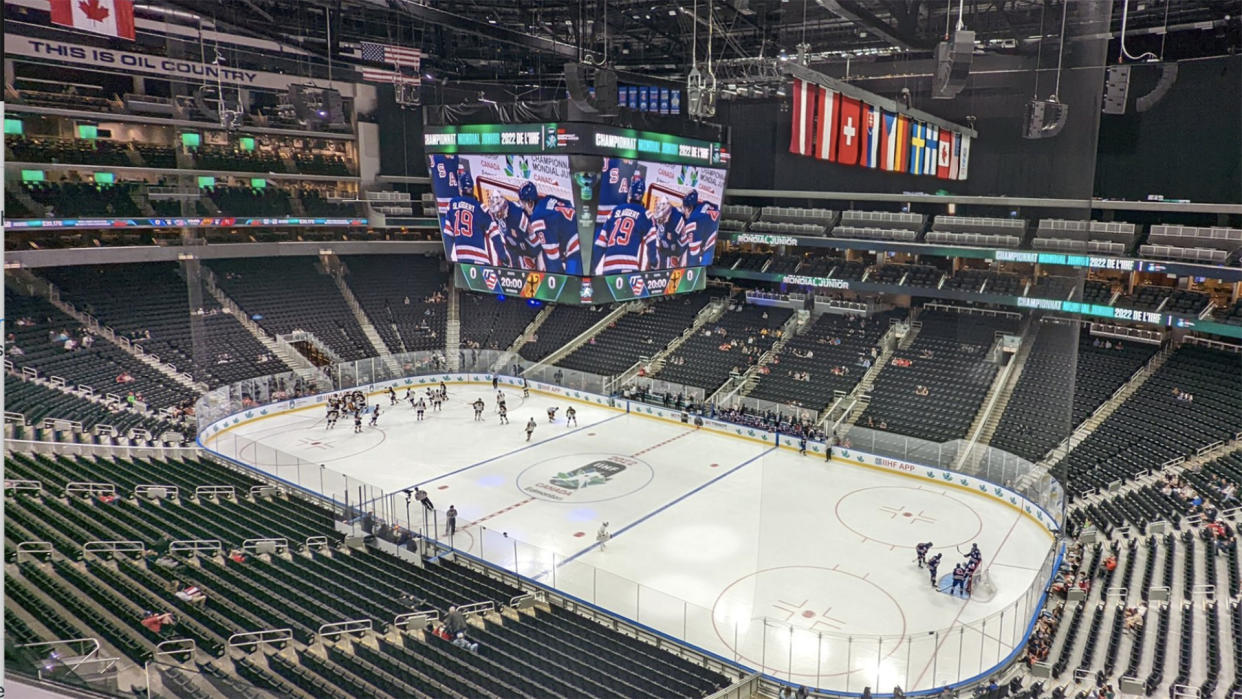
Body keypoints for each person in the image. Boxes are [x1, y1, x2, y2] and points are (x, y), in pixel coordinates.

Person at [592, 175, 657, 274]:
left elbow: (600, 245)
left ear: (630, 192)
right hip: (629, 267)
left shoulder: (615, 211)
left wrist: (590, 268)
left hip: (608, 267)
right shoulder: (646, 215)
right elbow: (652, 244)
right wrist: (653, 264)